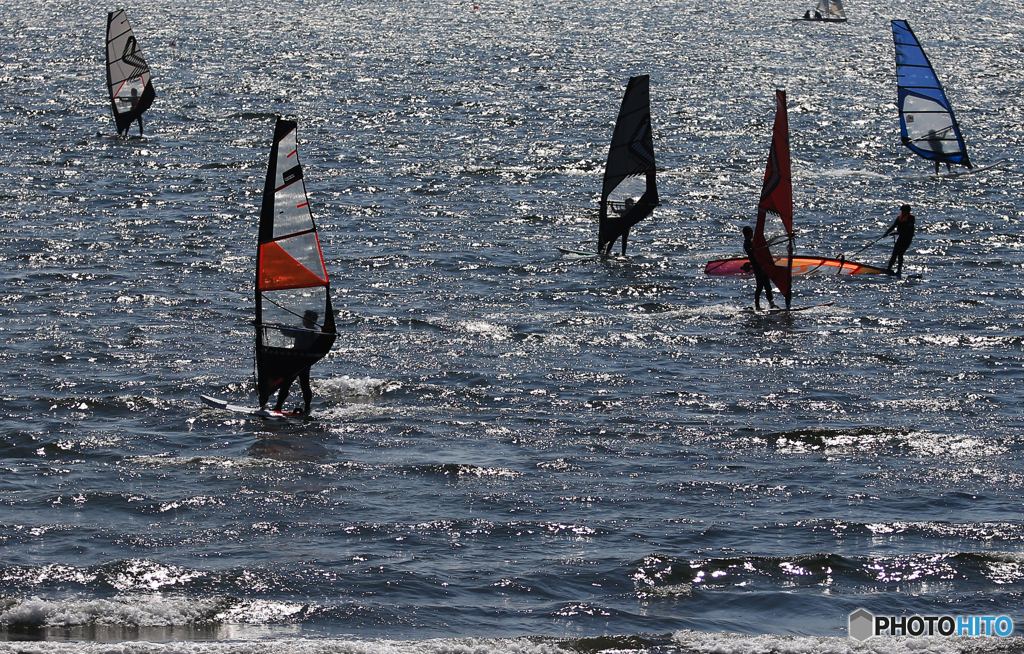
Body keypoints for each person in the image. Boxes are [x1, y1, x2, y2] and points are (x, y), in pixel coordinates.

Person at [274, 310, 320, 415]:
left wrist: (298, 329)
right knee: (286, 384)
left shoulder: (314, 332)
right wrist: (280, 326)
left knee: (304, 385)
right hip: (294, 360)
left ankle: (307, 408)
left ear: (312, 321)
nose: (303, 320)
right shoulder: (302, 330)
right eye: (303, 318)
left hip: (304, 362)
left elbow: (308, 334)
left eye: (305, 318)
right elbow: (289, 332)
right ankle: (278, 406)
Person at [742, 226, 778, 311]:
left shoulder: (751, 243)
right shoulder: (747, 244)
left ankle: (772, 304)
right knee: (760, 286)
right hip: (757, 267)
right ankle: (757, 306)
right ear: (750, 234)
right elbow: (752, 252)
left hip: (762, 266)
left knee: (768, 286)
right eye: (752, 233)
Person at [884, 204, 915, 275]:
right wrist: (886, 233)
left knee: (900, 254)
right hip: (901, 237)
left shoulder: (911, 218)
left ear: (907, 211)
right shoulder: (899, 218)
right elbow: (894, 226)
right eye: (902, 210)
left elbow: (908, 229)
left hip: (907, 238)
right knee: (894, 254)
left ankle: (899, 270)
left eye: (903, 211)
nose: (902, 212)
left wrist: (896, 233)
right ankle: (888, 269)